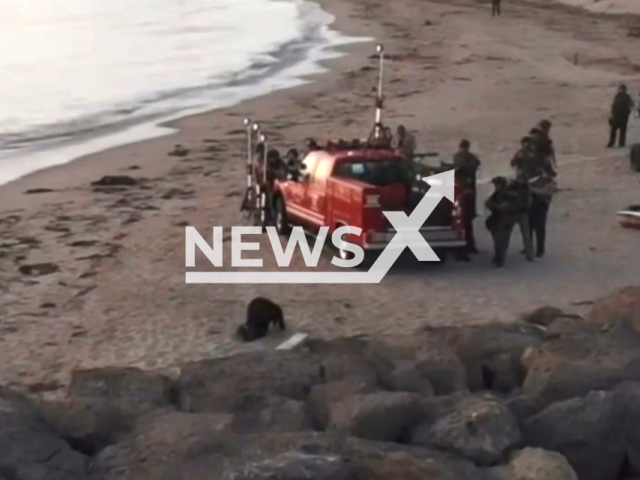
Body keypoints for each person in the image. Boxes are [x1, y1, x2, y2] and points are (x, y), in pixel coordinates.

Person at [485, 177, 533, 267]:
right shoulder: (509, 191)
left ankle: (500, 259)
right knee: (525, 235)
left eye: (496, 185)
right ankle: (529, 255)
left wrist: (495, 206)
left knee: (503, 239)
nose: (496, 187)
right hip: (519, 214)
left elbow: (499, 205)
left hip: (509, 217)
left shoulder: (505, 193)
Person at [453, 139, 481, 255]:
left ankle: (462, 248)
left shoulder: (458, 157)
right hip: (470, 192)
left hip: (461, 192)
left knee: (462, 221)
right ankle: (470, 245)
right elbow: (477, 164)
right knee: (468, 222)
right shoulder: (471, 157)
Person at [527, 172, 556, 257]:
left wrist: (530, 188)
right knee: (530, 229)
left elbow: (545, 191)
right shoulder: (534, 182)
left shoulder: (549, 184)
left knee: (539, 229)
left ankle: (539, 250)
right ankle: (530, 248)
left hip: (540, 208)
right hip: (533, 207)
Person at [607, 84, 634, 148]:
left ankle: (611, 143)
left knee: (613, 130)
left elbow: (614, 106)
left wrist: (612, 114)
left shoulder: (617, 96)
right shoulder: (627, 96)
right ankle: (621, 143)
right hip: (624, 116)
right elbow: (631, 105)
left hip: (617, 116)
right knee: (622, 131)